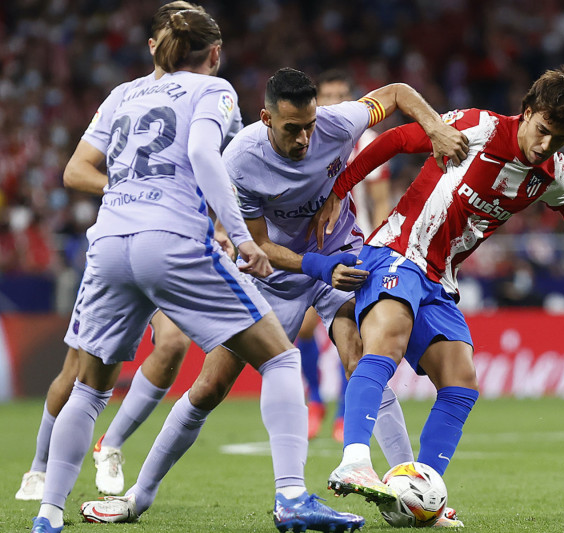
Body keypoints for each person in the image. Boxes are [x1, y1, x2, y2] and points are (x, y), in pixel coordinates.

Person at [77, 68, 469, 528]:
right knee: (210, 387)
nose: (305, 138)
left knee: (361, 357)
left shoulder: (338, 122)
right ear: (265, 118)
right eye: (291, 129)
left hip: (342, 258)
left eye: (309, 126)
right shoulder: (239, 160)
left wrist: (436, 125)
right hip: (276, 275)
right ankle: (137, 498)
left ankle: (412, 493)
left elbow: (398, 93)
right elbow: (258, 245)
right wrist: (318, 266)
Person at [30, 12, 364, 533]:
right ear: (213, 52)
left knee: (90, 389)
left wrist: (127, 192)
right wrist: (246, 239)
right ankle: (292, 497)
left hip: (110, 240)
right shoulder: (213, 91)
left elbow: (79, 166)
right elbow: (202, 154)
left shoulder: (121, 94)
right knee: (279, 356)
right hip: (171, 240)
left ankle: (48, 514)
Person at [315, 67, 564, 526]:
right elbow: (397, 140)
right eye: (543, 132)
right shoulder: (479, 127)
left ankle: (421, 496)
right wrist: (339, 188)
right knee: (387, 343)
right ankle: (354, 459)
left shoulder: (550, 171)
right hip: (399, 251)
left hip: (441, 278)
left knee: (461, 383)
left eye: (561, 139)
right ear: (528, 112)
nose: (547, 146)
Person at [15, 0, 242, 503]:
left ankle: (110, 444)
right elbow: (76, 171)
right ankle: (39, 466)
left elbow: (216, 168)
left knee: (173, 343)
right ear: (154, 45)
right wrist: (131, 185)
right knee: (79, 372)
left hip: (173, 239)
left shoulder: (201, 95)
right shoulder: (125, 95)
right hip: (123, 236)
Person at [299, 69, 394, 443]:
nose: (336, 102)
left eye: (343, 95)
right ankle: (316, 398)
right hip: (310, 247)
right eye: (328, 96)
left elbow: (381, 201)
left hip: (356, 248)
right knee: (305, 329)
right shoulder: (305, 138)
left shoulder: (368, 140)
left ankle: (341, 413)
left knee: (348, 332)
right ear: (316, 101)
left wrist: (381, 246)